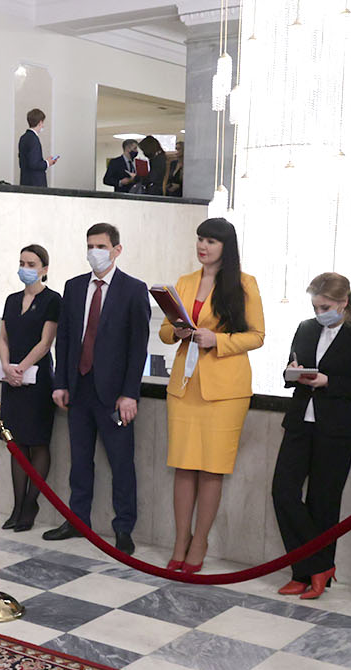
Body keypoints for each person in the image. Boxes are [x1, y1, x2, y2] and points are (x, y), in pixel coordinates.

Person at [158, 218, 264, 573]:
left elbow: (257, 336)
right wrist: (177, 332)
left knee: (211, 469)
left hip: (225, 390)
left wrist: (216, 339)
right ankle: (180, 540)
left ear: (226, 246)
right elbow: (164, 331)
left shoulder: (245, 284)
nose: (203, 246)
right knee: (183, 466)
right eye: (200, 239)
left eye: (211, 241)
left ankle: (199, 542)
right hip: (184, 385)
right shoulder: (184, 282)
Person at [42, 223, 150, 554]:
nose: (94, 252)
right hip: (79, 389)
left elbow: (138, 347)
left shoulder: (133, 289)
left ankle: (123, 527)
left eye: (101, 246)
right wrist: (61, 382)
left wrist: (129, 393)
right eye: (90, 246)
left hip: (114, 395)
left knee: (121, 463)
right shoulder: (74, 287)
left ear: (117, 250)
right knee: (79, 461)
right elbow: (65, 337)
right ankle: (78, 521)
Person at [271, 273, 351, 597]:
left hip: (337, 427)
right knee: (283, 492)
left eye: (325, 307)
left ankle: (309, 574)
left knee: (323, 502)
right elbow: (289, 371)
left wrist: (329, 381)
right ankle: (316, 565)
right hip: (300, 421)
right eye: (316, 307)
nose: (320, 313)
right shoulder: (305, 328)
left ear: (343, 302)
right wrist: (293, 373)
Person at [0, 244, 61, 532]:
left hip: (37, 379)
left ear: (44, 269)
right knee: (16, 443)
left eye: (31, 264)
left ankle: (30, 504)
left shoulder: (52, 300)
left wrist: (21, 368)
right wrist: (7, 366)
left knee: (37, 442)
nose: (25, 268)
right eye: (22, 263)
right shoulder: (11, 300)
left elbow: (45, 343)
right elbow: (3, 338)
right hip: (12, 380)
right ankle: (16, 505)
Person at [18, 108, 56, 188]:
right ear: (40, 122)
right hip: (35, 183)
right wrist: (48, 163)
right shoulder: (34, 139)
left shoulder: (23, 137)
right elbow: (34, 164)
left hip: (25, 181)